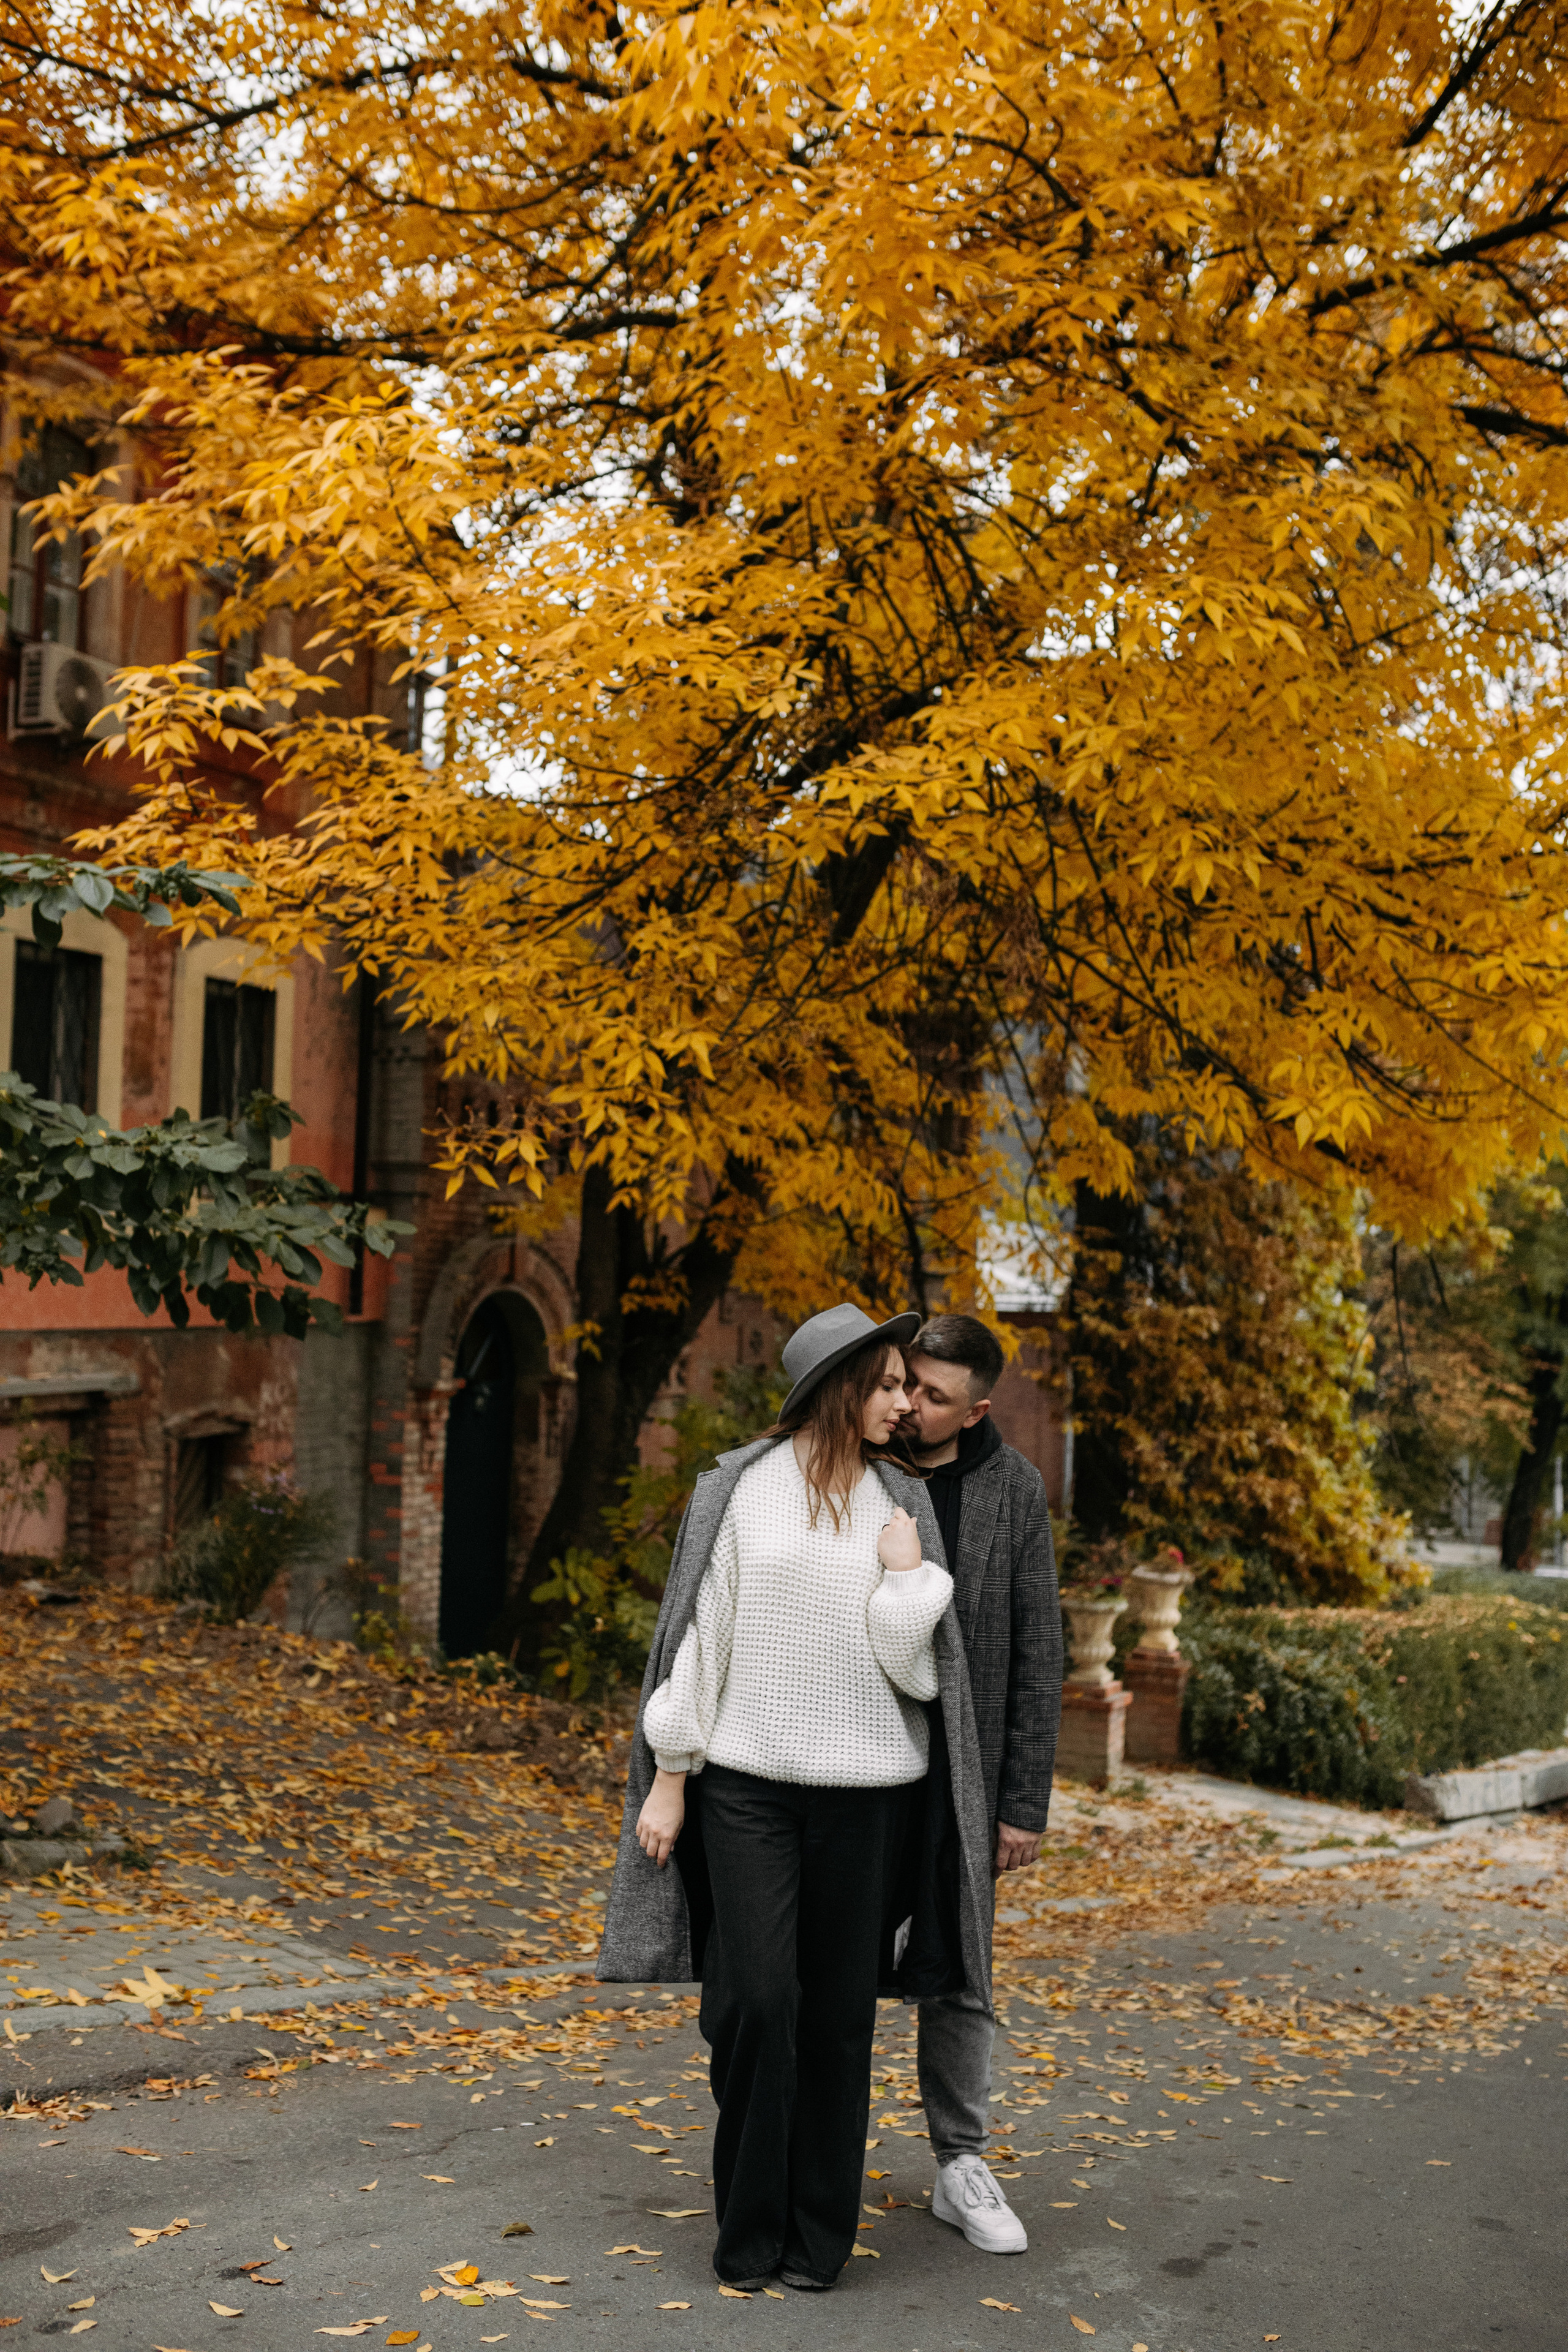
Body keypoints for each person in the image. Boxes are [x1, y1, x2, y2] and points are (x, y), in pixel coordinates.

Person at [596, 1301, 998, 2294]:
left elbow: (919, 1678)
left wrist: (909, 1587)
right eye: (893, 1383)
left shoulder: (902, 1507)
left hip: (870, 1797)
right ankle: (749, 2226)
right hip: (748, 1790)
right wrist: (674, 1775)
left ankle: (817, 2240)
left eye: (911, 1387)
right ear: (840, 1387)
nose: (907, 1402)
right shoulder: (740, 1490)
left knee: (836, 2021)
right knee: (757, 2001)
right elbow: (704, 1635)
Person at [897, 1312, 1063, 2256]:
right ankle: (812, 2152)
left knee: (961, 1971)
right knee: (833, 1963)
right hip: (853, 1765)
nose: (914, 1407)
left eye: (936, 1397)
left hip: (966, 1777)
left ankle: (961, 2163)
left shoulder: (1013, 1490)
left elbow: (1041, 1652)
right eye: (909, 1386)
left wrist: (1021, 1803)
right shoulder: (864, 1469)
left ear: (979, 1409)